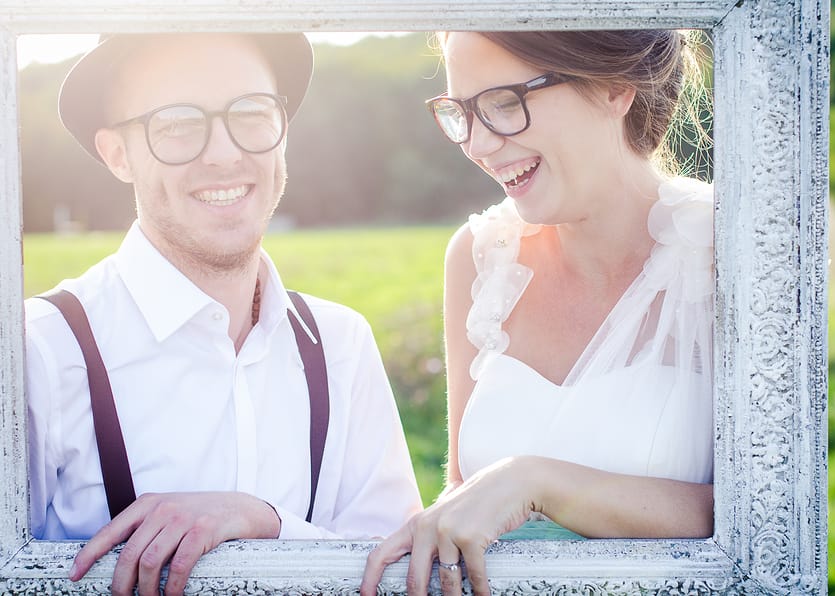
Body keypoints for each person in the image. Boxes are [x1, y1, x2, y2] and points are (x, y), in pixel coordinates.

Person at [25, 32, 422, 596]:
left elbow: (395, 575)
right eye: (177, 123)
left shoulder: (340, 343)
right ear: (118, 155)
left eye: (252, 113)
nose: (224, 153)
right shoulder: (37, 349)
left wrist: (267, 524)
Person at [361, 30, 715, 596]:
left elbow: (770, 517)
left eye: (504, 104)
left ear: (612, 87)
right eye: (461, 114)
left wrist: (539, 482)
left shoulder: (728, 251)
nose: (477, 144)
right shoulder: (479, 258)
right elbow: (460, 488)